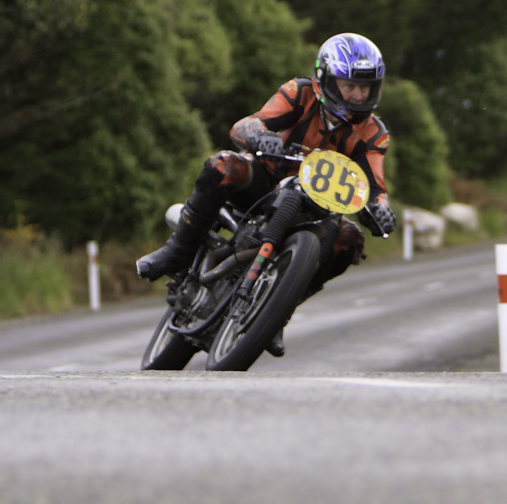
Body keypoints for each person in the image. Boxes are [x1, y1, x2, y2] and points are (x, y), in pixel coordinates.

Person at [136, 33, 397, 355]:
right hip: (267, 182)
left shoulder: (374, 132)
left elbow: (376, 185)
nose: (358, 96)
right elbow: (247, 124)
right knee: (223, 166)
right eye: (349, 86)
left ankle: (278, 311)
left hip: (318, 210)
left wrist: (380, 209)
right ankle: (176, 250)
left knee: (349, 240)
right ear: (325, 80)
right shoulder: (299, 92)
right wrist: (261, 136)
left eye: (365, 88)